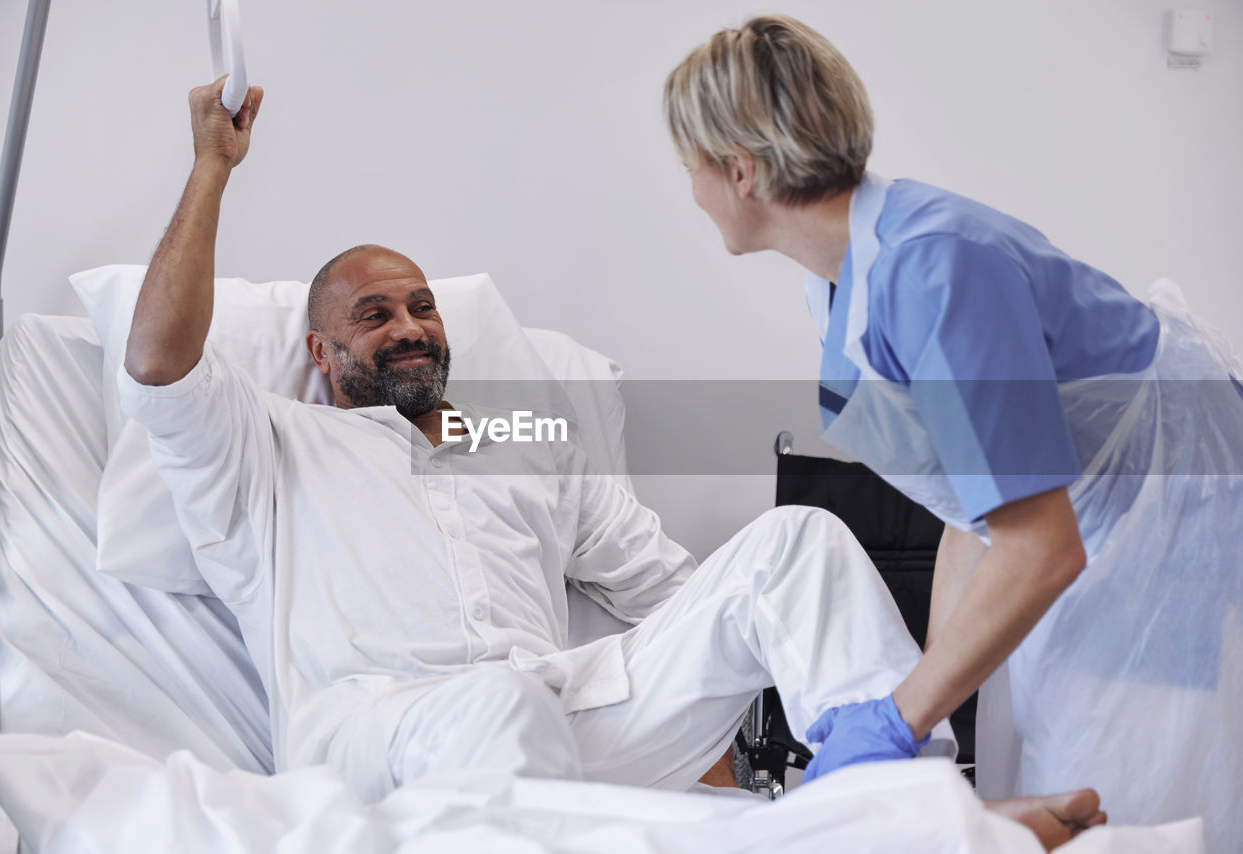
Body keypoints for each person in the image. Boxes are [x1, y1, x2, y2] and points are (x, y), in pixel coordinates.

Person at [119, 76, 1106, 849]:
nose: (409, 324)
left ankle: (919, 815)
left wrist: (718, 714)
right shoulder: (266, 445)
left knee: (796, 542)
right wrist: (211, 165)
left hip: (558, 707)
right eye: (373, 315)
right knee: (497, 702)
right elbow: (160, 359)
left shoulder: (517, 434)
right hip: (380, 737)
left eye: (421, 304)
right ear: (320, 355)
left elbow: (672, 590)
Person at [664, 13, 1242, 852]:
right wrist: (922, 695)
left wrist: (900, 717)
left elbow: (1041, 547)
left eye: (692, 166)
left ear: (741, 171)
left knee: (1115, 794)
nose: (692, 190)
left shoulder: (934, 270)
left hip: (1168, 513)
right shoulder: (841, 281)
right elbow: (971, 505)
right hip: (1085, 515)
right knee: (1024, 774)